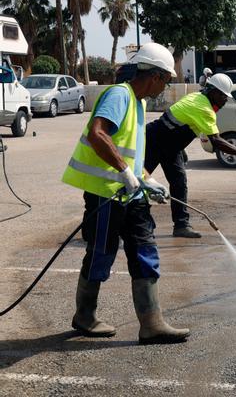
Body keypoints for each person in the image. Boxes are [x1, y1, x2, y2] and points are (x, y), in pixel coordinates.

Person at [61, 42, 190, 345]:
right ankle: (85, 315)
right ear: (155, 76)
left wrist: (146, 179)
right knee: (101, 254)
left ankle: (152, 323)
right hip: (106, 195)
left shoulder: (139, 103)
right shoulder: (119, 95)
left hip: (130, 196)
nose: (164, 87)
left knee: (145, 250)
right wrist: (124, 171)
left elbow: (130, 154)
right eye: (166, 80)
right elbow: (98, 134)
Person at [145, 73, 236, 238]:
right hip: (152, 142)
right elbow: (217, 142)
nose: (225, 100)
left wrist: (180, 147)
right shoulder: (205, 109)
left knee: (179, 183)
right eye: (223, 96)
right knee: (140, 183)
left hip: (169, 145)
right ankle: (134, 224)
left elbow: (178, 121)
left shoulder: (196, 97)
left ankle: (181, 226)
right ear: (214, 92)